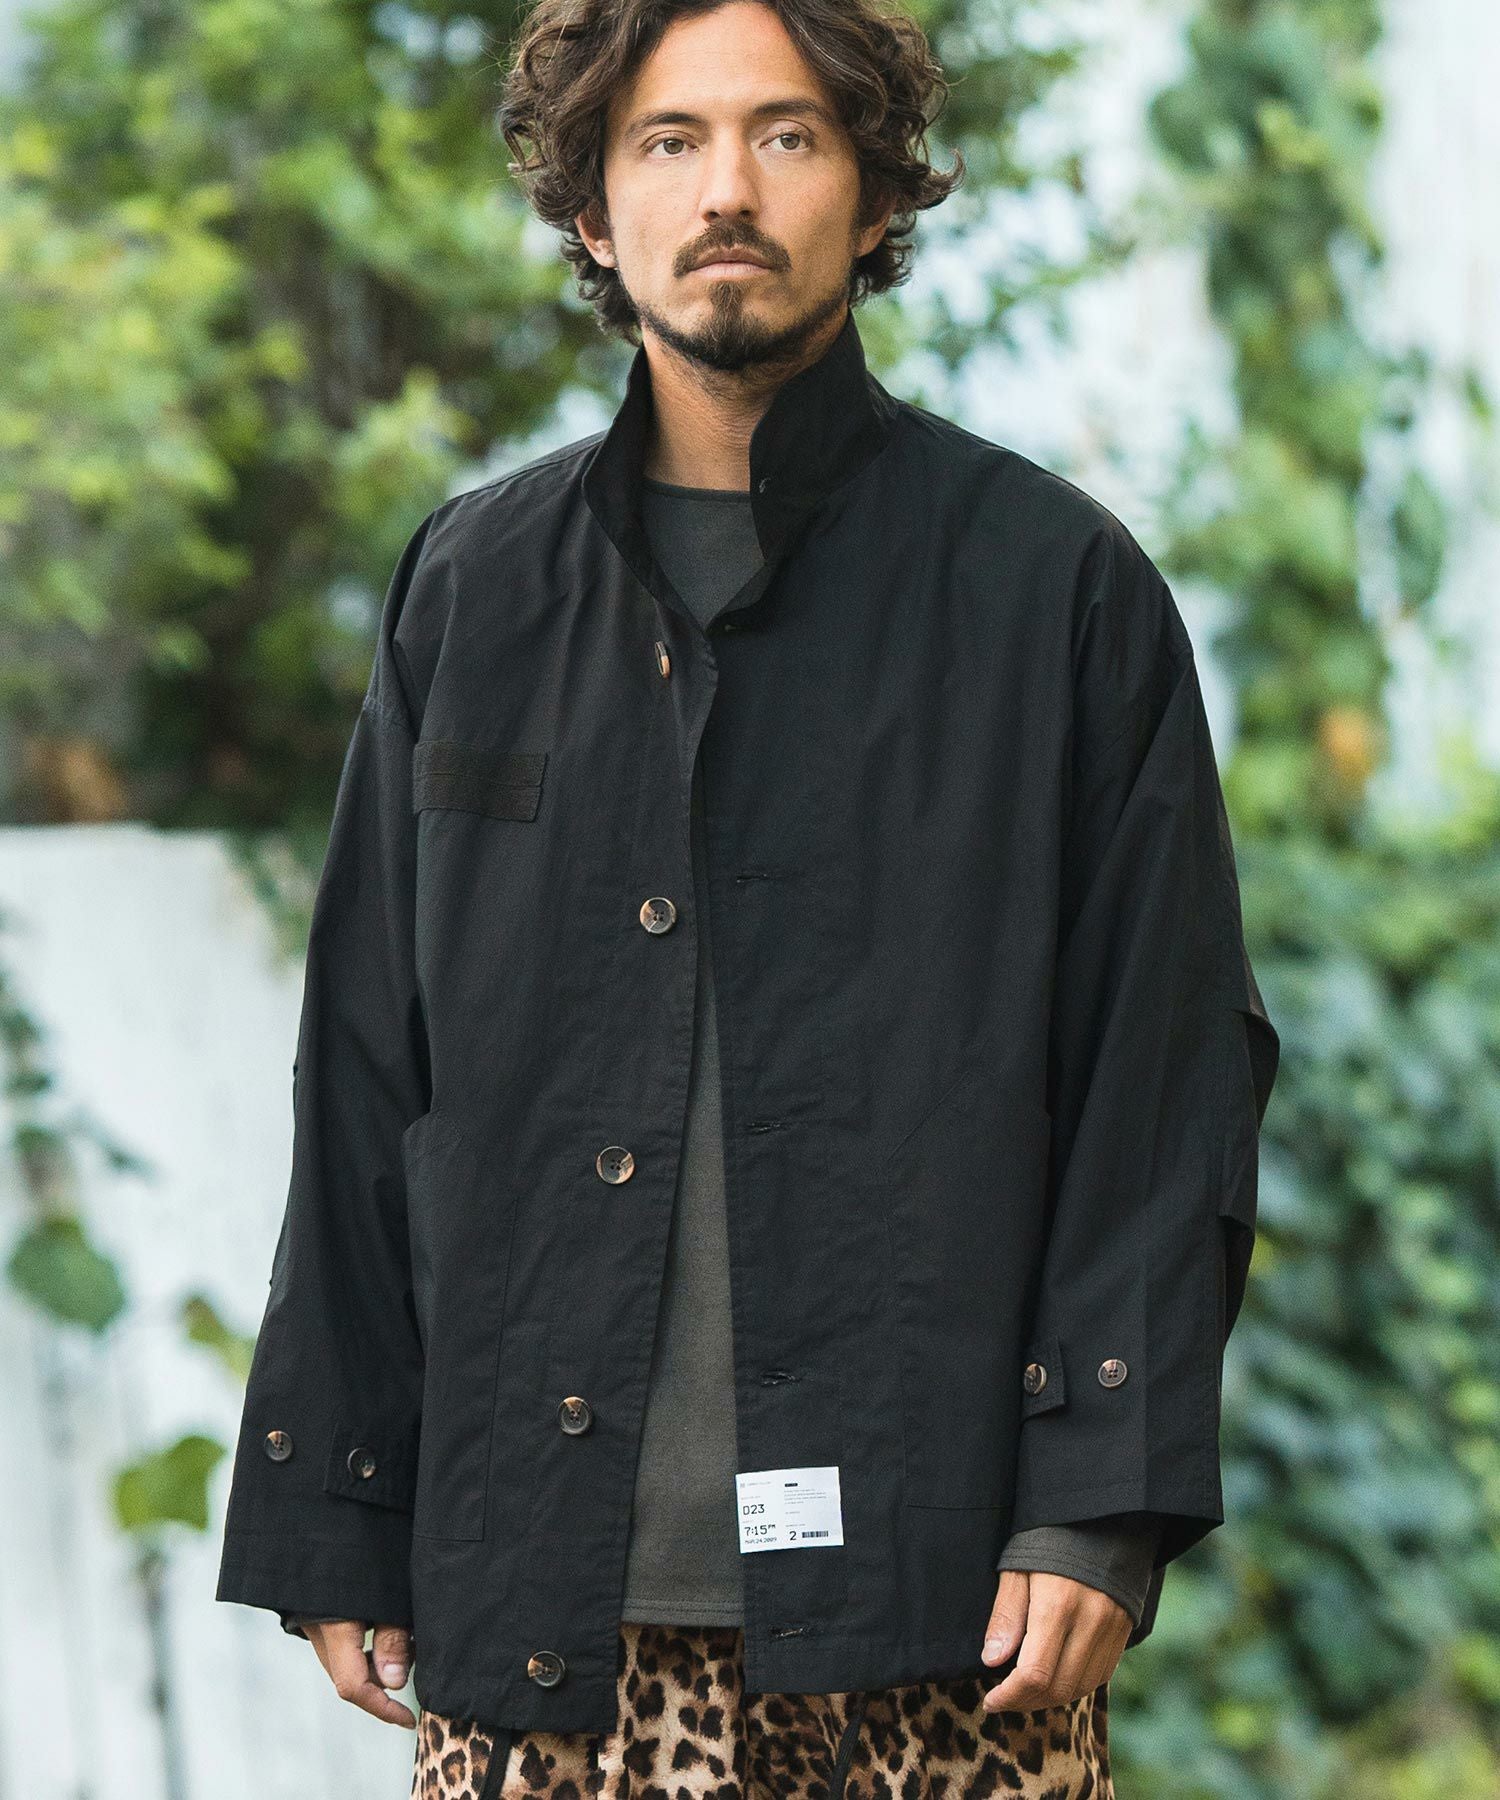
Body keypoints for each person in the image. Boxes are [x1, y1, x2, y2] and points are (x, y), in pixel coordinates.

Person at [214, 3, 1281, 1796]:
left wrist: (1101, 1499)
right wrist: (341, 1493)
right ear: (591, 209)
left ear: (875, 195)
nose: (729, 190)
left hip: (945, 1629)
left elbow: (1163, 1079)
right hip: (541, 1630)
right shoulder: (470, 591)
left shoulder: (1057, 594)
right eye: (669, 140)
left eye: (787, 136)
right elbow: (370, 1074)